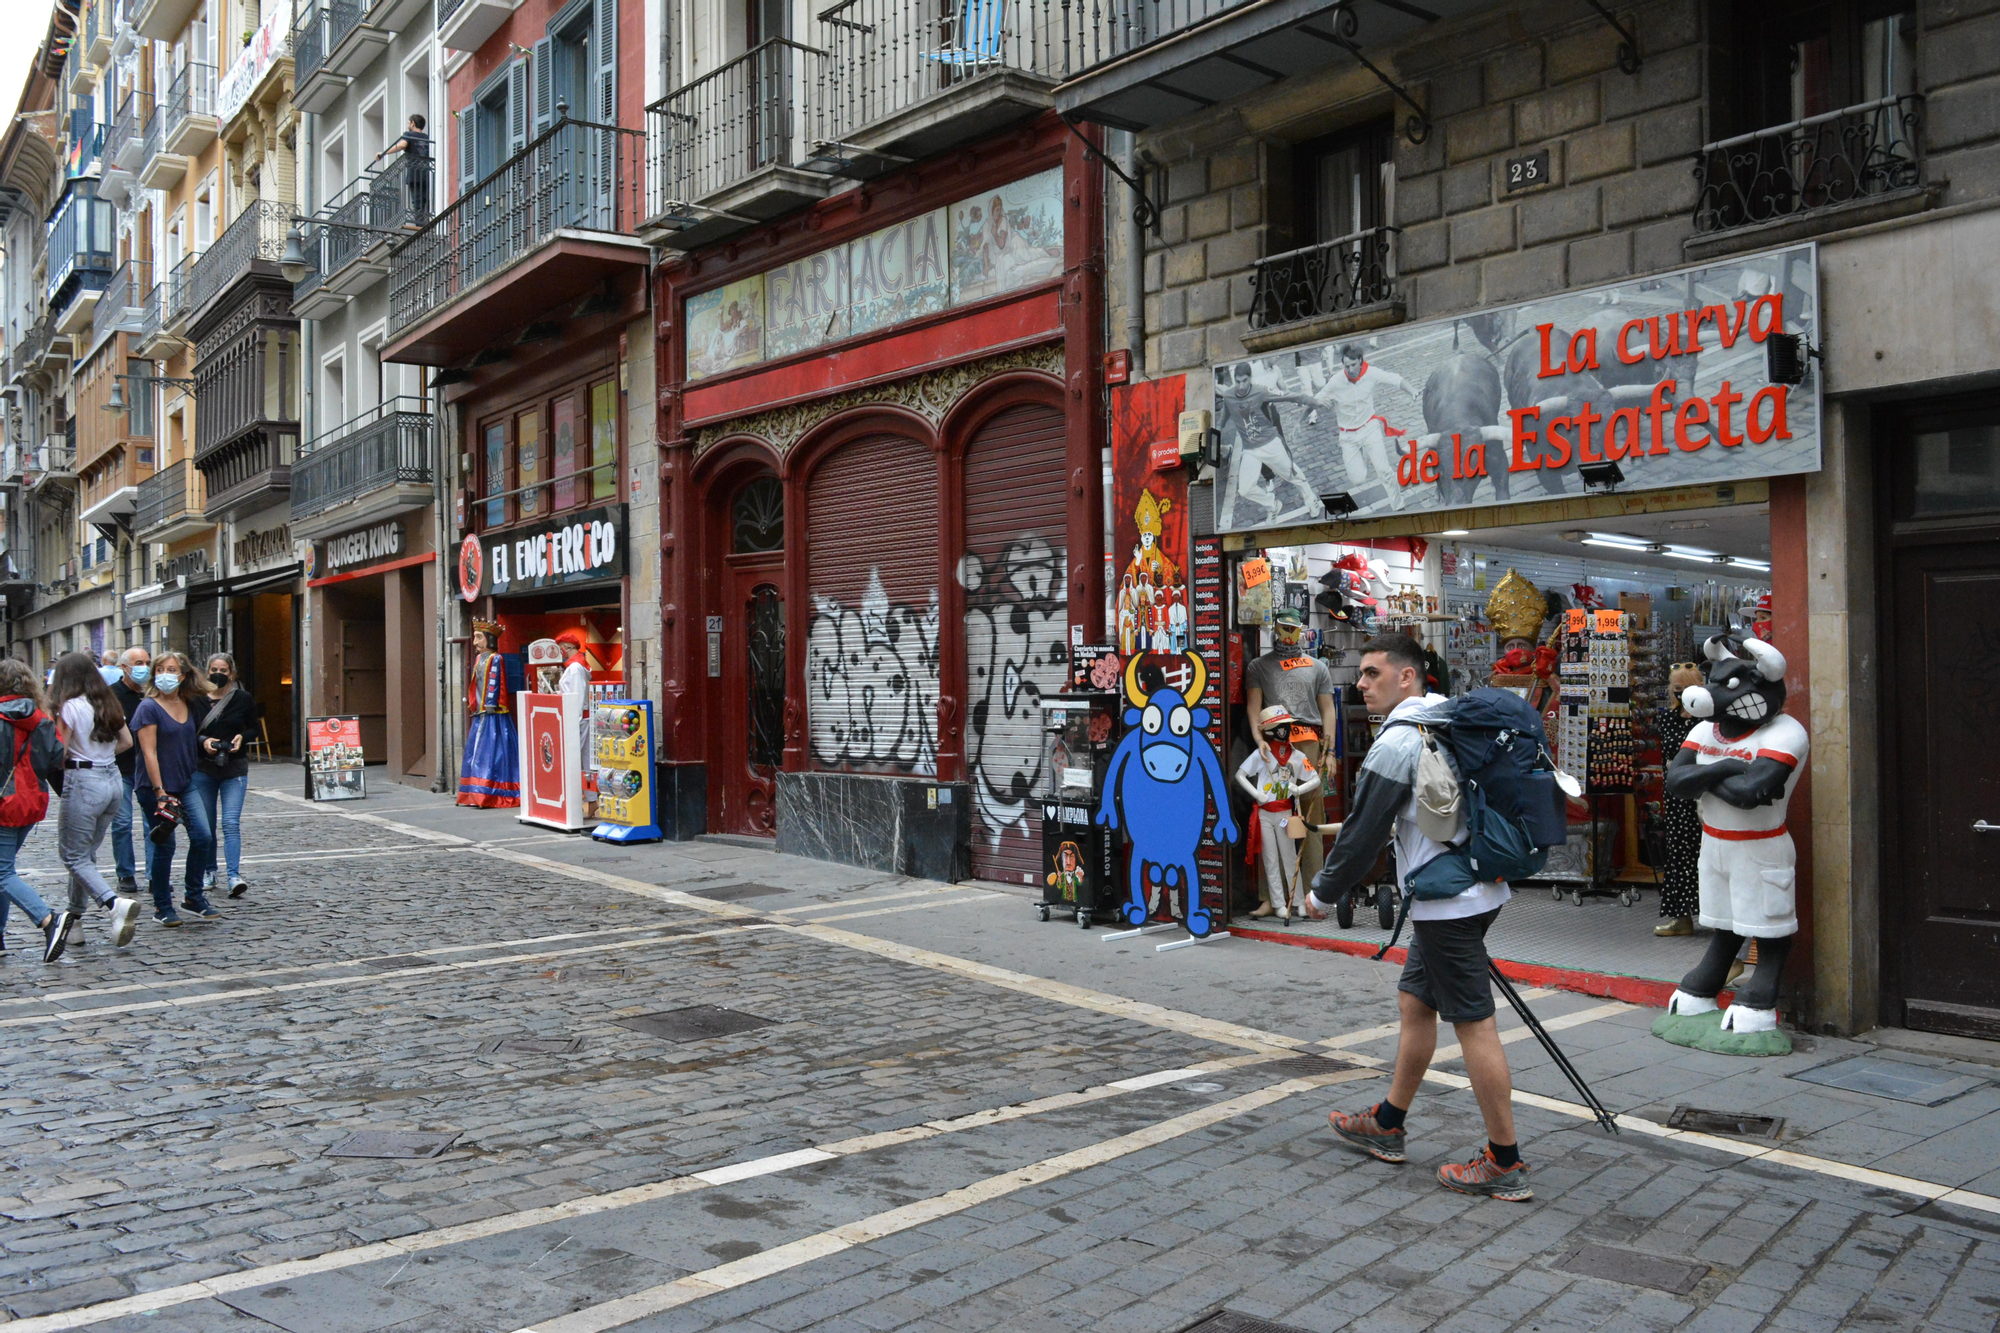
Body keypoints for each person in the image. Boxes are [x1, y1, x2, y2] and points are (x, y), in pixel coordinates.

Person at [1306, 633, 1531, 1202]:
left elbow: (1361, 833)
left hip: (1447, 905)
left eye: (1372, 672)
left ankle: (1504, 1162)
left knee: (1474, 1022)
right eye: (1361, 673)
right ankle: (1387, 1122)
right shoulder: (1446, 719)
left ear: (1408, 677)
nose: (1360, 683)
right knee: (1415, 1000)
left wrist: (1323, 893)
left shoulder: (1399, 743)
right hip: (1475, 889)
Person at [1243, 606, 1337, 914]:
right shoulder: (1259, 666)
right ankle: (1272, 896)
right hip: (1273, 743)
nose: (1287, 634)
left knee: (1310, 816)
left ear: (1301, 630)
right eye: (1282, 628)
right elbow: (1254, 707)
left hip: (1307, 742)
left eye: (1292, 629)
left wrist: (1329, 749)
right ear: (1274, 629)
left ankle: (1312, 895)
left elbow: (1328, 709)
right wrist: (1259, 741)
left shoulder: (1316, 666)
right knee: (1272, 813)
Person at [49, 652, 142, 949]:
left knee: (73, 856)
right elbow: (127, 742)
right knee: (85, 855)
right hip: (112, 781)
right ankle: (75, 920)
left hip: (84, 782)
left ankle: (114, 904)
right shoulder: (108, 703)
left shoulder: (69, 707)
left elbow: (59, 753)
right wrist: (100, 757)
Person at [131, 652, 217, 925]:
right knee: (165, 845)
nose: (165, 674)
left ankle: (193, 897)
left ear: (182, 676)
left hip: (186, 781)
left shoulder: (189, 703)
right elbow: (149, 752)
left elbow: (191, 736)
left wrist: (204, 742)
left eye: (172, 669)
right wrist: (160, 793)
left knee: (203, 837)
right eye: (160, 669)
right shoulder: (148, 707)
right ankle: (162, 906)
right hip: (155, 788)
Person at [0, 658, 71, 962]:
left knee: (1, 871)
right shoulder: (41, 718)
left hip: (5, 802)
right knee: (4, 869)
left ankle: (48, 919)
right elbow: (56, 757)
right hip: (32, 799)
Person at [1234, 706, 1320, 923]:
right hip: (1264, 814)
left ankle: (1298, 901)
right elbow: (1240, 775)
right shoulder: (1262, 754)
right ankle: (1278, 903)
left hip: (1284, 812)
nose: (1284, 730)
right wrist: (1257, 794)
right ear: (1270, 730)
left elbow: (1316, 779)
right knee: (1270, 860)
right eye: (1279, 727)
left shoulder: (1298, 756)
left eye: (1287, 726)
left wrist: (1298, 790)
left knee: (1290, 857)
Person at [1215, 361, 1322, 530]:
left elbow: (1288, 395)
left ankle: (1311, 500)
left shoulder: (1260, 391)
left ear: (1250, 378)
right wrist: (1214, 434)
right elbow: (1223, 419)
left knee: (1291, 474)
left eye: (1244, 381)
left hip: (1270, 444)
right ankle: (1273, 505)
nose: (1241, 385)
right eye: (1238, 381)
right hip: (1250, 450)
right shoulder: (1229, 396)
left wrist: (1312, 401)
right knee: (1244, 489)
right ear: (1234, 380)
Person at [1309, 344, 1415, 512]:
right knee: (1358, 480)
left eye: (1353, 365)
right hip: (1348, 436)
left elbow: (1394, 379)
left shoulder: (1371, 373)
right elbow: (1315, 400)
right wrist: (1300, 421)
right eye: (1346, 366)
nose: (1349, 369)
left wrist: (1412, 391)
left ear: (1360, 361)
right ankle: (1365, 454)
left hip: (1369, 428)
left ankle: (1399, 507)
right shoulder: (1336, 381)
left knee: (1384, 471)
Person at [188, 653, 253, 899]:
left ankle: (234, 875)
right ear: (207, 672)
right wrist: (204, 741)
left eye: (223, 670)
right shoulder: (196, 700)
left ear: (231, 673)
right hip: (203, 768)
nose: (219, 673)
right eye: (214, 669)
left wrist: (241, 738)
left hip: (234, 768)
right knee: (207, 825)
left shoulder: (242, 698)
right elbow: (188, 731)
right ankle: (209, 870)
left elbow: (252, 727)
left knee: (230, 822)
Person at [1655, 661, 1704, 937]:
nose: (1680, 695)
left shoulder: (1709, 721)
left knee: (1705, 853)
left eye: (1685, 690)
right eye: (1676, 690)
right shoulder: (1668, 718)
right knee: (1678, 853)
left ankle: (1715, 916)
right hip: (1676, 796)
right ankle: (1680, 915)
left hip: (1701, 792)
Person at [457, 621, 520, 807]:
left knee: (494, 752)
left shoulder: (495, 658)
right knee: (480, 752)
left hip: (493, 713)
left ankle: (490, 792)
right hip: (482, 712)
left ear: (489, 639)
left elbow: (495, 681)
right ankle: (475, 792)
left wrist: (491, 703)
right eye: (475, 637)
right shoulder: (480, 659)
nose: (475, 642)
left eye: (479, 637)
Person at [108, 648, 149, 894]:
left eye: (146, 662)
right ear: (125, 667)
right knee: (122, 823)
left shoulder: (153, 694)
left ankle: (156, 873)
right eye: (138, 663)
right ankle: (125, 873)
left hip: (149, 768)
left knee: (152, 824)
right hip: (121, 768)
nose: (143, 667)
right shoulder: (112, 695)